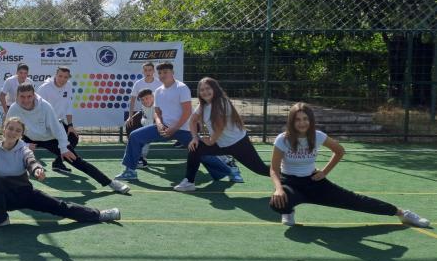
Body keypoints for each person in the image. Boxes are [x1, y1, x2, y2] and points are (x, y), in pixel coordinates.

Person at [269, 103, 430, 227]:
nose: (302, 123)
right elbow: (274, 169)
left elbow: (339, 151)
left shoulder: (318, 136)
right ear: (291, 121)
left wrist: (324, 172)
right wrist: (278, 189)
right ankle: (287, 211)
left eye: (305, 119)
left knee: (355, 200)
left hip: (314, 182)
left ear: (311, 121)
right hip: (291, 183)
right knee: (277, 201)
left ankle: (402, 213)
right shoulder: (282, 139)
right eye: (297, 119)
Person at [0, 116, 121, 229]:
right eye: (10, 128)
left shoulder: (23, 149)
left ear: (21, 134)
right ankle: (0, 220)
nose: (13, 132)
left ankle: (100, 215)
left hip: (26, 194)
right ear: (3, 129)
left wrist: (37, 170)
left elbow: (31, 161)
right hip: (6, 199)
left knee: (61, 206)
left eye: (17, 130)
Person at [115, 62, 236, 182]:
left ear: (172, 73)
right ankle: (130, 171)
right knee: (135, 136)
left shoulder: (181, 88)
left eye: (165, 72)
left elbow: (187, 112)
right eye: (160, 73)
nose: (162, 75)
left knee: (202, 153)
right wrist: (159, 124)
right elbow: (157, 112)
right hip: (165, 128)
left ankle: (228, 171)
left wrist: (174, 128)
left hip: (184, 129)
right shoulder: (158, 91)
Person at [8, 84, 131, 194]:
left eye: (29, 96)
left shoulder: (45, 106)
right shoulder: (14, 108)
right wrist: (23, 145)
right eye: (22, 97)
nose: (26, 100)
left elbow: (57, 128)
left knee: (76, 161)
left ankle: (110, 183)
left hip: (51, 138)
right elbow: (8, 131)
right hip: (29, 138)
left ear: (34, 95)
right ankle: (12, 186)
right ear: (17, 96)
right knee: (9, 152)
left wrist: (63, 147)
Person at [173, 77, 270, 191]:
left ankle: (285, 177)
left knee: (260, 169)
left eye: (208, 88)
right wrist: (194, 138)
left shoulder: (222, 103)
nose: (205, 92)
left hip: (238, 143)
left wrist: (202, 132)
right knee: (195, 148)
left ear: (215, 89)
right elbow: (193, 121)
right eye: (202, 90)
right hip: (220, 143)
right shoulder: (203, 105)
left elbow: (211, 141)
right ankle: (189, 182)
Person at [36, 66, 77, 173]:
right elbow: (36, 108)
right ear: (55, 75)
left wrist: (70, 125)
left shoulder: (68, 85)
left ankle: (58, 163)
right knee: (29, 143)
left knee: (73, 138)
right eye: (60, 76)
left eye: (65, 77)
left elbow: (68, 106)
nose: (62, 79)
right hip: (42, 124)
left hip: (58, 123)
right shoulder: (44, 88)